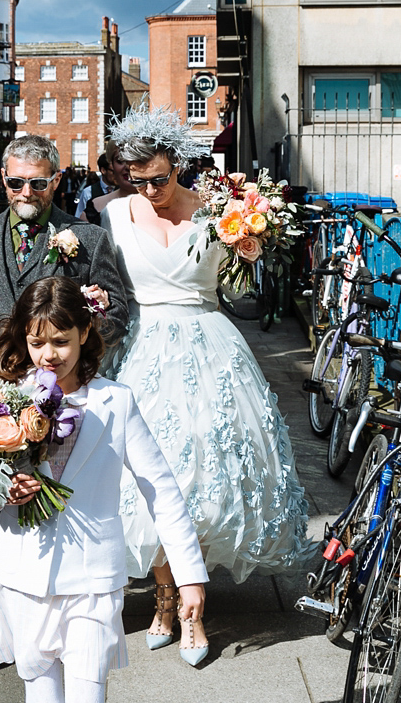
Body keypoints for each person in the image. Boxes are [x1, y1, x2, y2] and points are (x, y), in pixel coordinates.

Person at [102, 107, 312, 659]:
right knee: (151, 478)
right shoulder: (112, 214)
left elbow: (247, 297)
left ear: (179, 163)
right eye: (137, 179)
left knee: (207, 472)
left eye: (159, 178)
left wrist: (251, 252)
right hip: (142, 350)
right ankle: (165, 598)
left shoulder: (221, 210)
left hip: (211, 347)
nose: (149, 190)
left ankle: (195, 608)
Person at [0, 134, 129, 671]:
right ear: (3, 181)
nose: (27, 190)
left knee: (47, 505)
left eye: (38, 181)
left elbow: (120, 313)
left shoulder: (86, 239)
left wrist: (83, 338)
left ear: (56, 181)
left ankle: (56, 616)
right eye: (17, 181)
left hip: (63, 397)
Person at [0, 278, 208, 701]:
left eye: (61, 341)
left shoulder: (116, 402)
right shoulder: (4, 401)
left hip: (92, 580)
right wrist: (5, 490)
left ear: (85, 333)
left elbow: (161, 490)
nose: (49, 355)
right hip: (24, 577)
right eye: (36, 342)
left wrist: (189, 576)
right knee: (41, 695)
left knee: (89, 694)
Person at [82, 145, 136, 226]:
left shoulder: (160, 205)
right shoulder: (93, 208)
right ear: (112, 165)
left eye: (135, 159)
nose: (128, 167)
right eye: (120, 160)